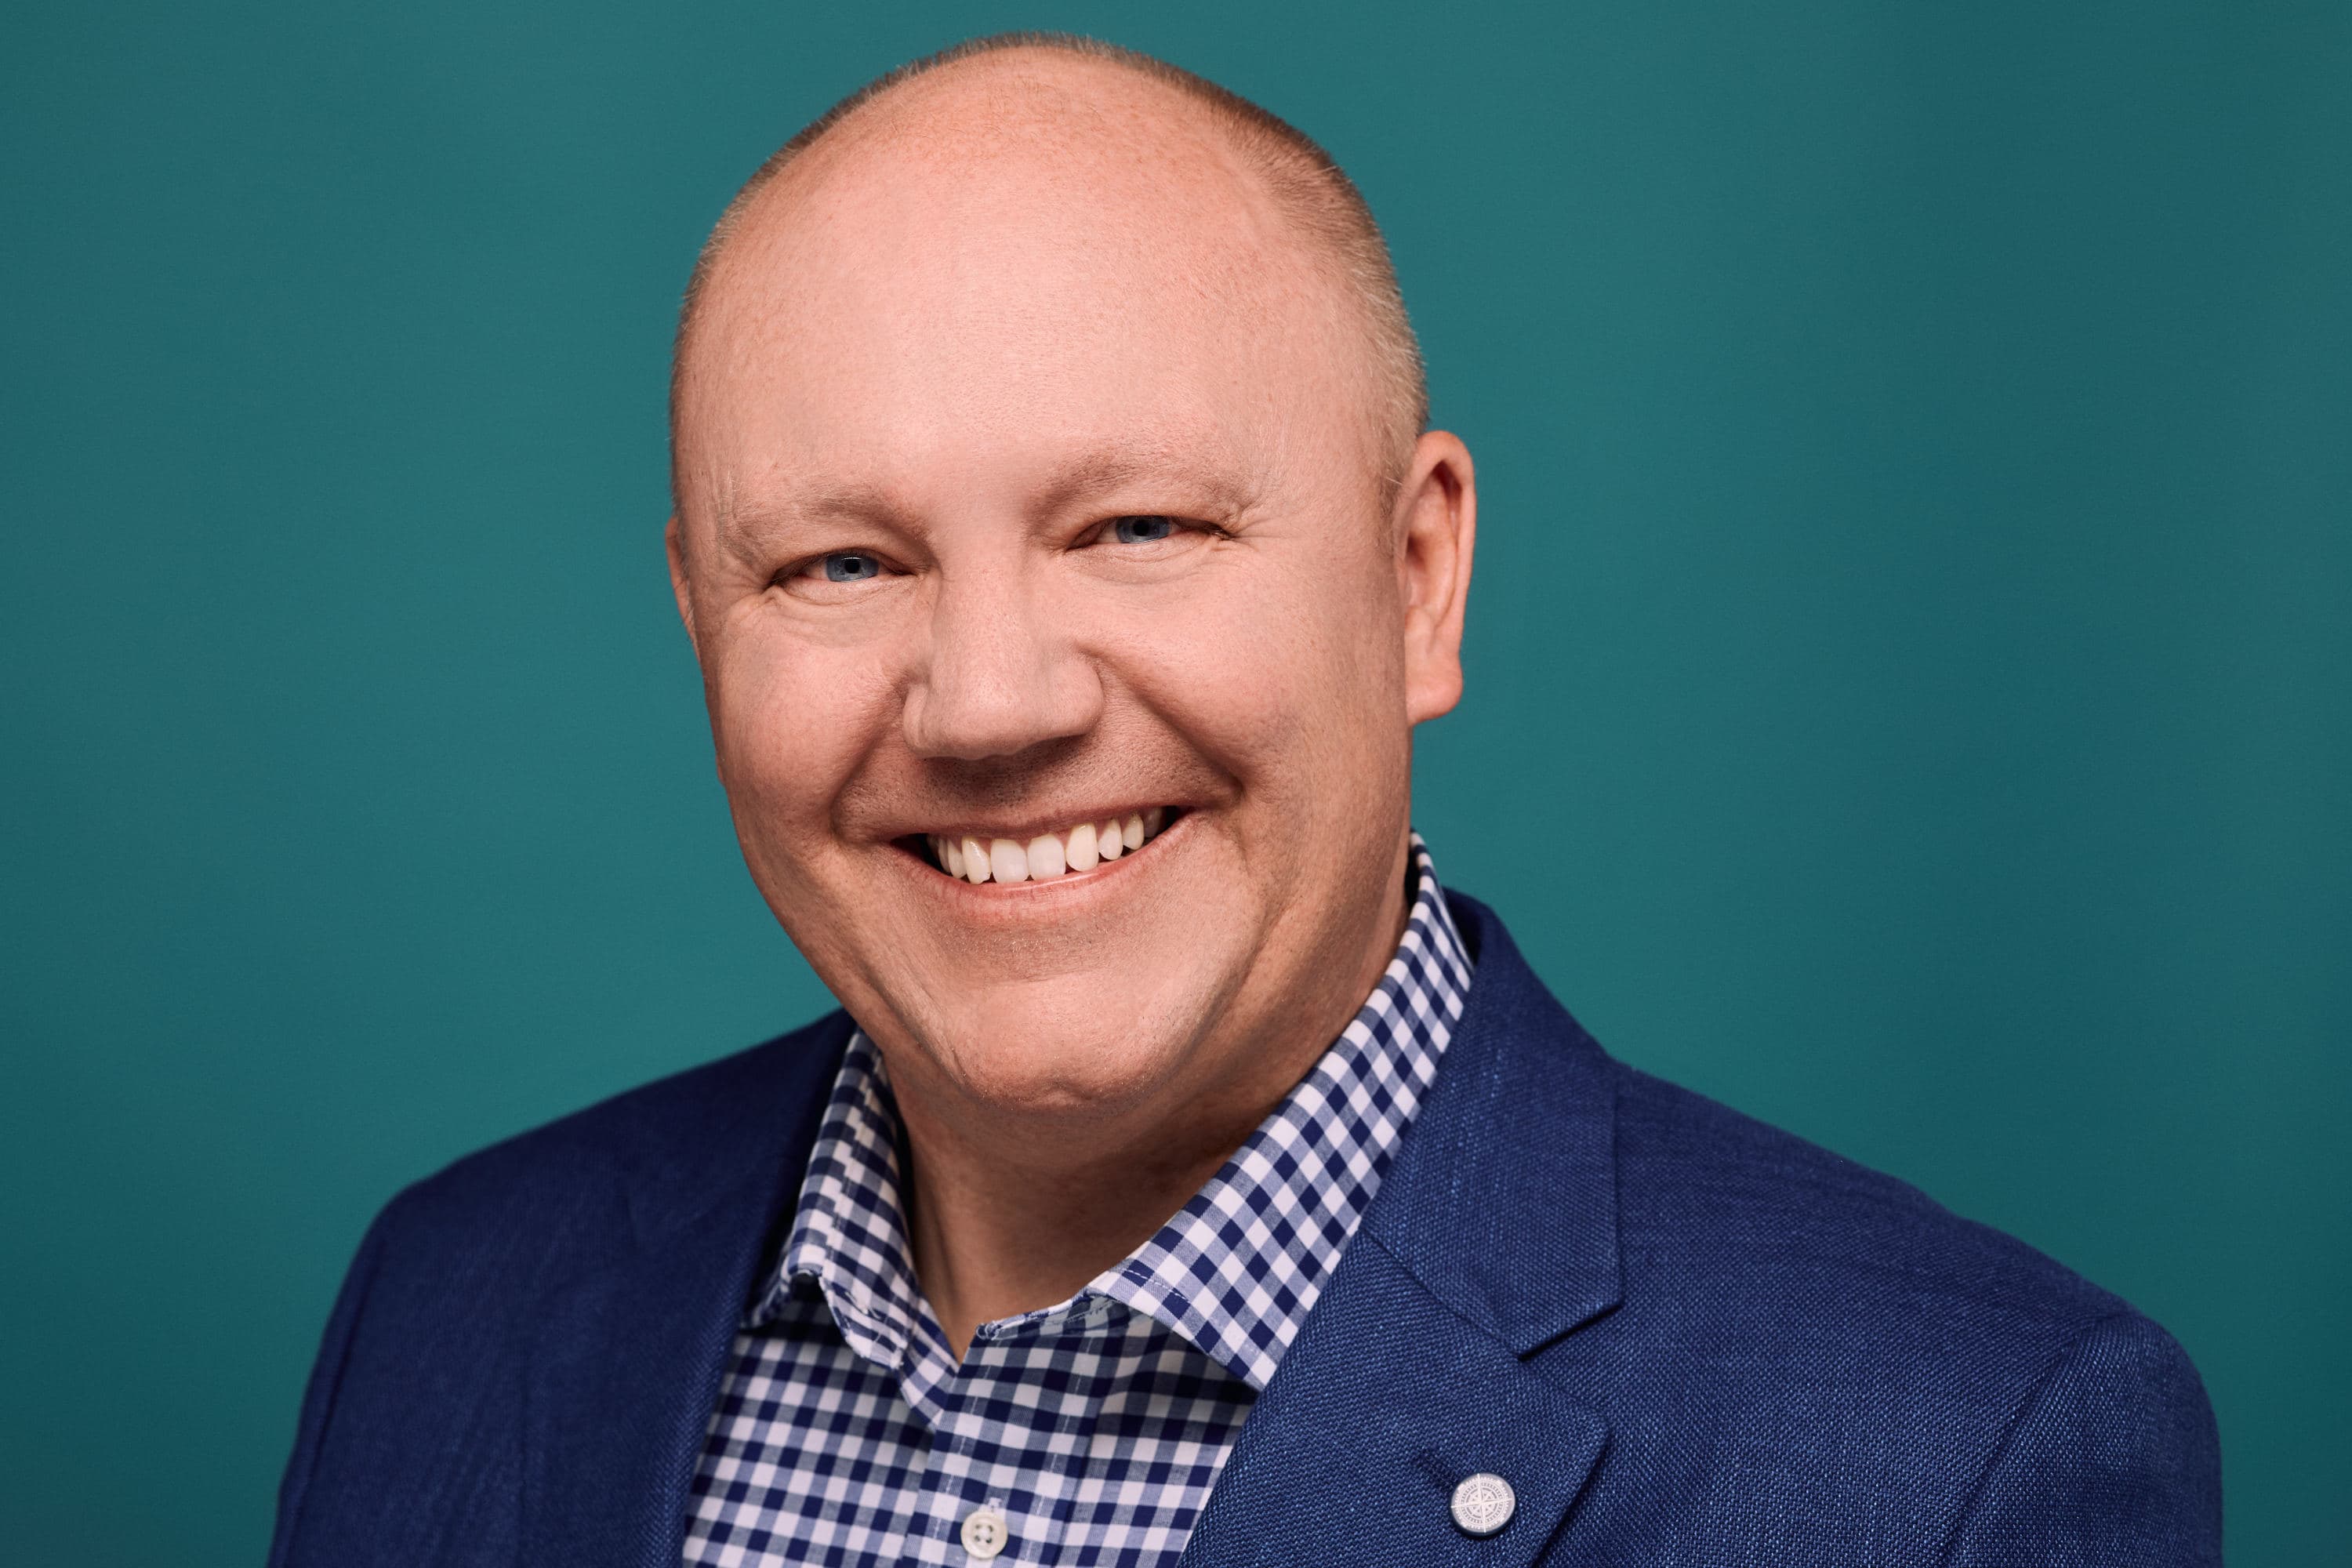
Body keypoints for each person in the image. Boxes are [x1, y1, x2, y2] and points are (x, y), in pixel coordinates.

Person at [267, 32, 2220, 1568]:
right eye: (839, 564)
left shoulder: (1959, 1461)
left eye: (1138, 526)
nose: (992, 702)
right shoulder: (458, 1302)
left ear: (1417, 577)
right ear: (701, 621)